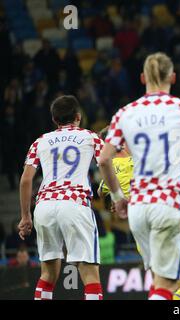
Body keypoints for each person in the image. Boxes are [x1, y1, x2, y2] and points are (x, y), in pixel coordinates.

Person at [98, 52, 180, 300]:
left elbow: (103, 160)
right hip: (167, 205)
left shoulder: (124, 113)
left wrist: (118, 197)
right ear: (173, 77)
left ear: (143, 78)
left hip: (139, 212)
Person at [97, 126, 180, 300]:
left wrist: (115, 199)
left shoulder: (110, 171)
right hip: (156, 228)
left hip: (148, 230)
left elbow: (101, 193)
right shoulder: (139, 159)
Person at [18, 95, 105, 300]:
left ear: (54, 120)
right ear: (78, 116)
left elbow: (25, 181)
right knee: (90, 275)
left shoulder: (40, 141)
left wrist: (25, 217)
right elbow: (107, 164)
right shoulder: (90, 137)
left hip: (44, 206)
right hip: (74, 204)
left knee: (47, 274)